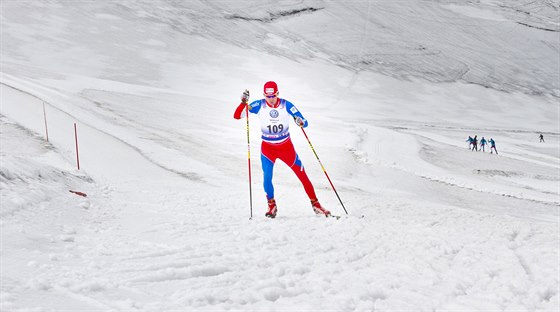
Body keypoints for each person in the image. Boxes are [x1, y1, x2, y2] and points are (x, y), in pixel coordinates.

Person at [233, 81, 330, 218]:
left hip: (286, 148)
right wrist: (243, 102)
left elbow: (304, 122)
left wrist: (300, 122)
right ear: (264, 95)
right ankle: (272, 206)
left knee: (302, 175)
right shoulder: (258, 105)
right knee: (267, 178)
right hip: (268, 149)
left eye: (273, 96)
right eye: (268, 96)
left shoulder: (286, 105)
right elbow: (237, 116)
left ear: (277, 93)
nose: (270, 99)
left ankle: (316, 205)